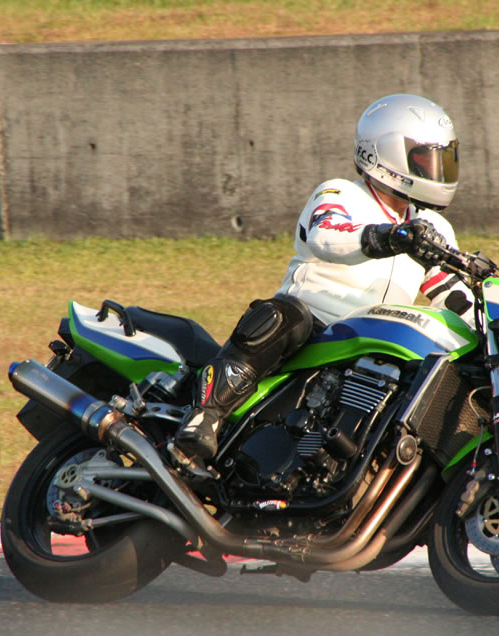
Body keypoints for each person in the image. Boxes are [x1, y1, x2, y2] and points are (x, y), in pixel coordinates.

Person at [172, 93, 473, 464]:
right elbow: (326, 236)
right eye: (425, 158)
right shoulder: (340, 193)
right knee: (285, 317)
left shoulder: (431, 226)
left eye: (443, 158)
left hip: (372, 340)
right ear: (388, 154)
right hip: (314, 331)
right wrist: (391, 237)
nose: (437, 169)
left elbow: (453, 295)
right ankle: (204, 414)